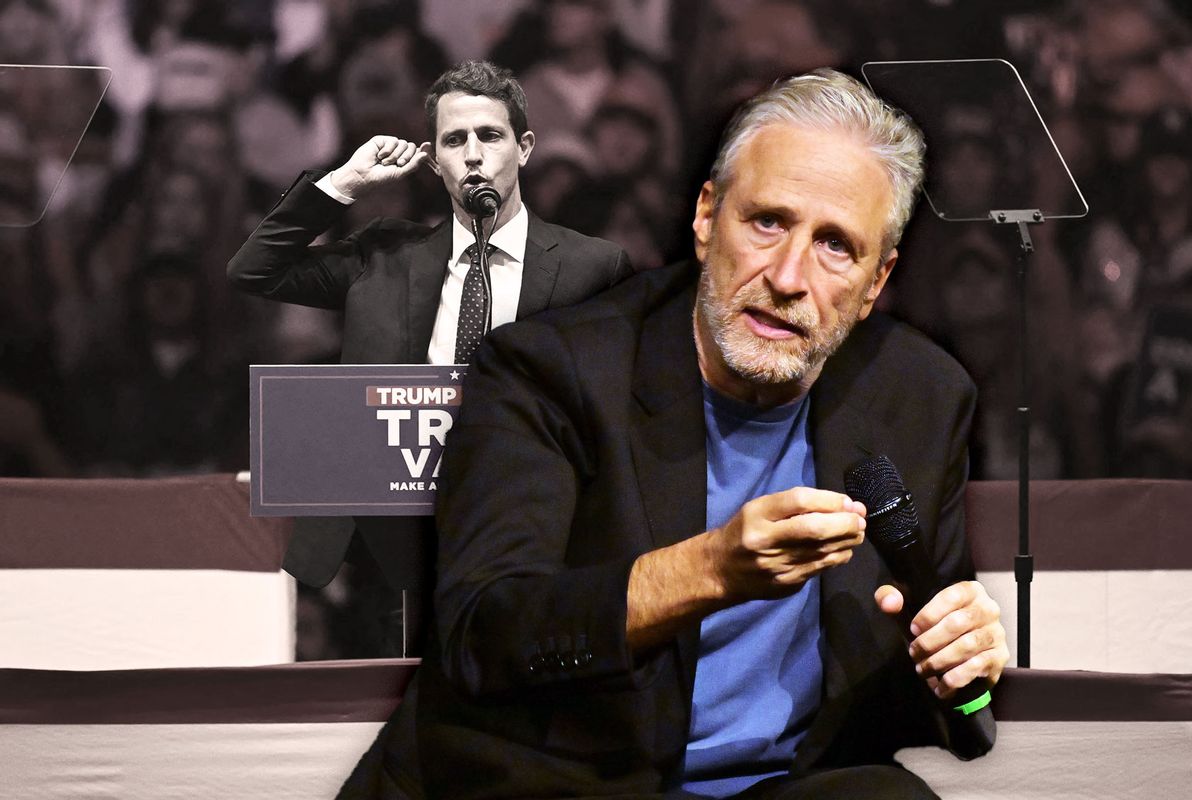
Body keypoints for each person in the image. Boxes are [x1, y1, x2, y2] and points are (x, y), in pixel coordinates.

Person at [399, 69, 1008, 798]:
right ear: (706, 215)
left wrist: (952, 658)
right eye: (768, 222)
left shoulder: (921, 397)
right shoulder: (550, 373)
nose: (788, 276)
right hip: (564, 778)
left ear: (877, 283)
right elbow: (482, 636)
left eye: (836, 246)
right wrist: (710, 569)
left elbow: (907, 701)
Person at [227, 60, 632, 654]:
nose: (473, 154)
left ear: (524, 148)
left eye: (489, 136)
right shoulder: (387, 254)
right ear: (433, 157)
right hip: (392, 548)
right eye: (454, 140)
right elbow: (254, 269)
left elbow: (612, 409)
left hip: (530, 537)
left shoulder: (590, 267)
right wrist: (343, 185)